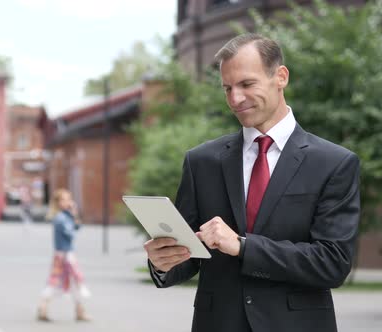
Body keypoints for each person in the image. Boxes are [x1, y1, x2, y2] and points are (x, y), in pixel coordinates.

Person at [143, 33, 360, 332]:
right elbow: (190, 255)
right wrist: (162, 262)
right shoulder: (201, 161)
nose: (235, 99)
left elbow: (332, 263)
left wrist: (243, 247)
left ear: (280, 77)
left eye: (246, 84)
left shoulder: (334, 163)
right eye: (227, 88)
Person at [37, 188, 91, 322]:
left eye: (69, 199)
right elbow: (71, 233)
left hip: (64, 254)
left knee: (69, 282)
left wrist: (73, 215)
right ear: (57, 202)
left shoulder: (64, 216)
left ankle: (78, 311)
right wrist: (73, 216)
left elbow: (77, 227)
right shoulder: (61, 218)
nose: (68, 202)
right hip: (65, 256)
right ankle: (43, 307)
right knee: (63, 281)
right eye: (64, 199)